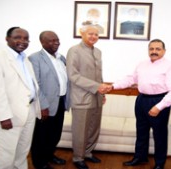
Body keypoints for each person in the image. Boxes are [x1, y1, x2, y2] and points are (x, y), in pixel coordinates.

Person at [111, 39, 171, 169]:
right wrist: (113, 86)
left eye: (158, 49)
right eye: (151, 49)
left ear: (164, 51)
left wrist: (158, 107)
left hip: (159, 101)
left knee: (159, 135)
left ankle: (160, 163)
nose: (154, 51)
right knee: (141, 131)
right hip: (141, 100)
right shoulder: (142, 64)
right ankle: (140, 157)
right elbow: (131, 79)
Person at [0, 27, 41, 169]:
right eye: (17, 37)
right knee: (6, 156)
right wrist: (3, 117)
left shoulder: (25, 59)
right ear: (7, 39)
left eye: (26, 38)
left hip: (29, 111)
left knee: (22, 153)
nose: (22, 41)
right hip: (9, 115)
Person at [66, 23, 109, 169]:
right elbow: (73, 75)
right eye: (90, 33)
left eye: (96, 34)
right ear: (81, 33)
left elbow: (99, 74)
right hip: (81, 98)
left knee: (93, 128)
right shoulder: (74, 51)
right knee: (80, 130)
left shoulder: (98, 52)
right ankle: (78, 158)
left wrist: (101, 91)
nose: (93, 36)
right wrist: (97, 87)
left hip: (97, 97)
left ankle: (88, 153)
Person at [28, 31, 70, 169]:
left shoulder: (61, 58)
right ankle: (39, 162)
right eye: (51, 40)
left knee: (55, 134)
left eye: (57, 40)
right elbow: (35, 84)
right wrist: (42, 105)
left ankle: (49, 155)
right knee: (41, 136)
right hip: (45, 105)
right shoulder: (35, 58)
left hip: (60, 102)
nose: (56, 43)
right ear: (43, 42)